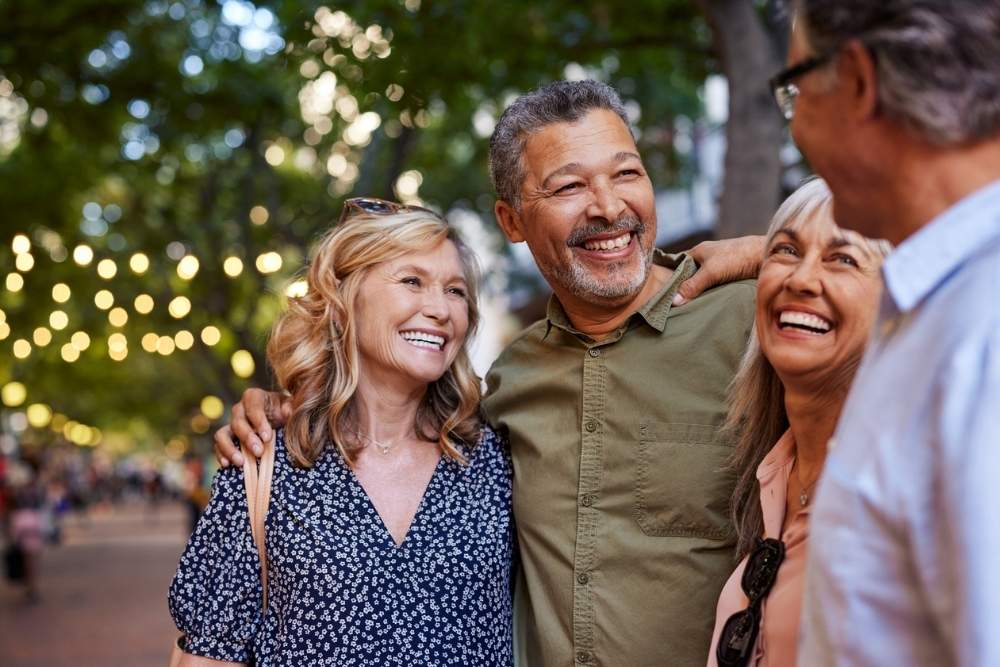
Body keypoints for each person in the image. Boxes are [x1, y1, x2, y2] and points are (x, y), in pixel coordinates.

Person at [217, 80, 765, 666]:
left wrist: (782, 250)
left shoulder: (751, 324)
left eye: (627, 174)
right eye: (570, 185)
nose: (608, 206)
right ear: (512, 220)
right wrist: (285, 407)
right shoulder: (507, 385)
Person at [169, 202, 514, 665]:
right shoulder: (266, 460)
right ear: (343, 296)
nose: (439, 309)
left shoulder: (495, 455)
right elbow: (211, 653)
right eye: (412, 281)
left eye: (455, 290)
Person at [772, 3, 1000, 665]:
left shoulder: (980, 334)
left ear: (859, 82)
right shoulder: (935, 309)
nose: (797, 129)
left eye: (796, 92)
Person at [705, 178, 888, 667]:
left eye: (843, 258)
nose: (802, 280)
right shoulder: (774, 476)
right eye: (786, 251)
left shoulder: (906, 493)